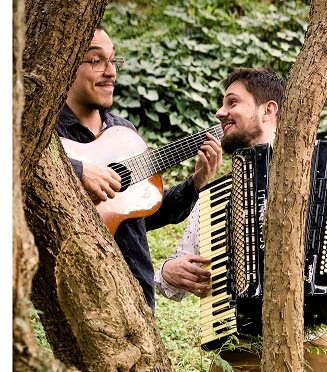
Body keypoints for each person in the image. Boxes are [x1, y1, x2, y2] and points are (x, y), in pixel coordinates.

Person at [154, 67, 327, 371]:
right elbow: (178, 272)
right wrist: (168, 272)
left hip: (315, 346)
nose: (219, 112)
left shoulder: (322, 174)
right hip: (238, 348)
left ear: (268, 110)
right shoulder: (215, 197)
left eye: (232, 102)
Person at [55, 26, 222, 312]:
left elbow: (140, 217)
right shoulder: (48, 131)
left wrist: (195, 183)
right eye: (96, 60)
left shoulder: (124, 132)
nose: (111, 72)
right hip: (82, 293)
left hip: (138, 294)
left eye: (113, 61)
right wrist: (78, 170)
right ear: (68, 64)